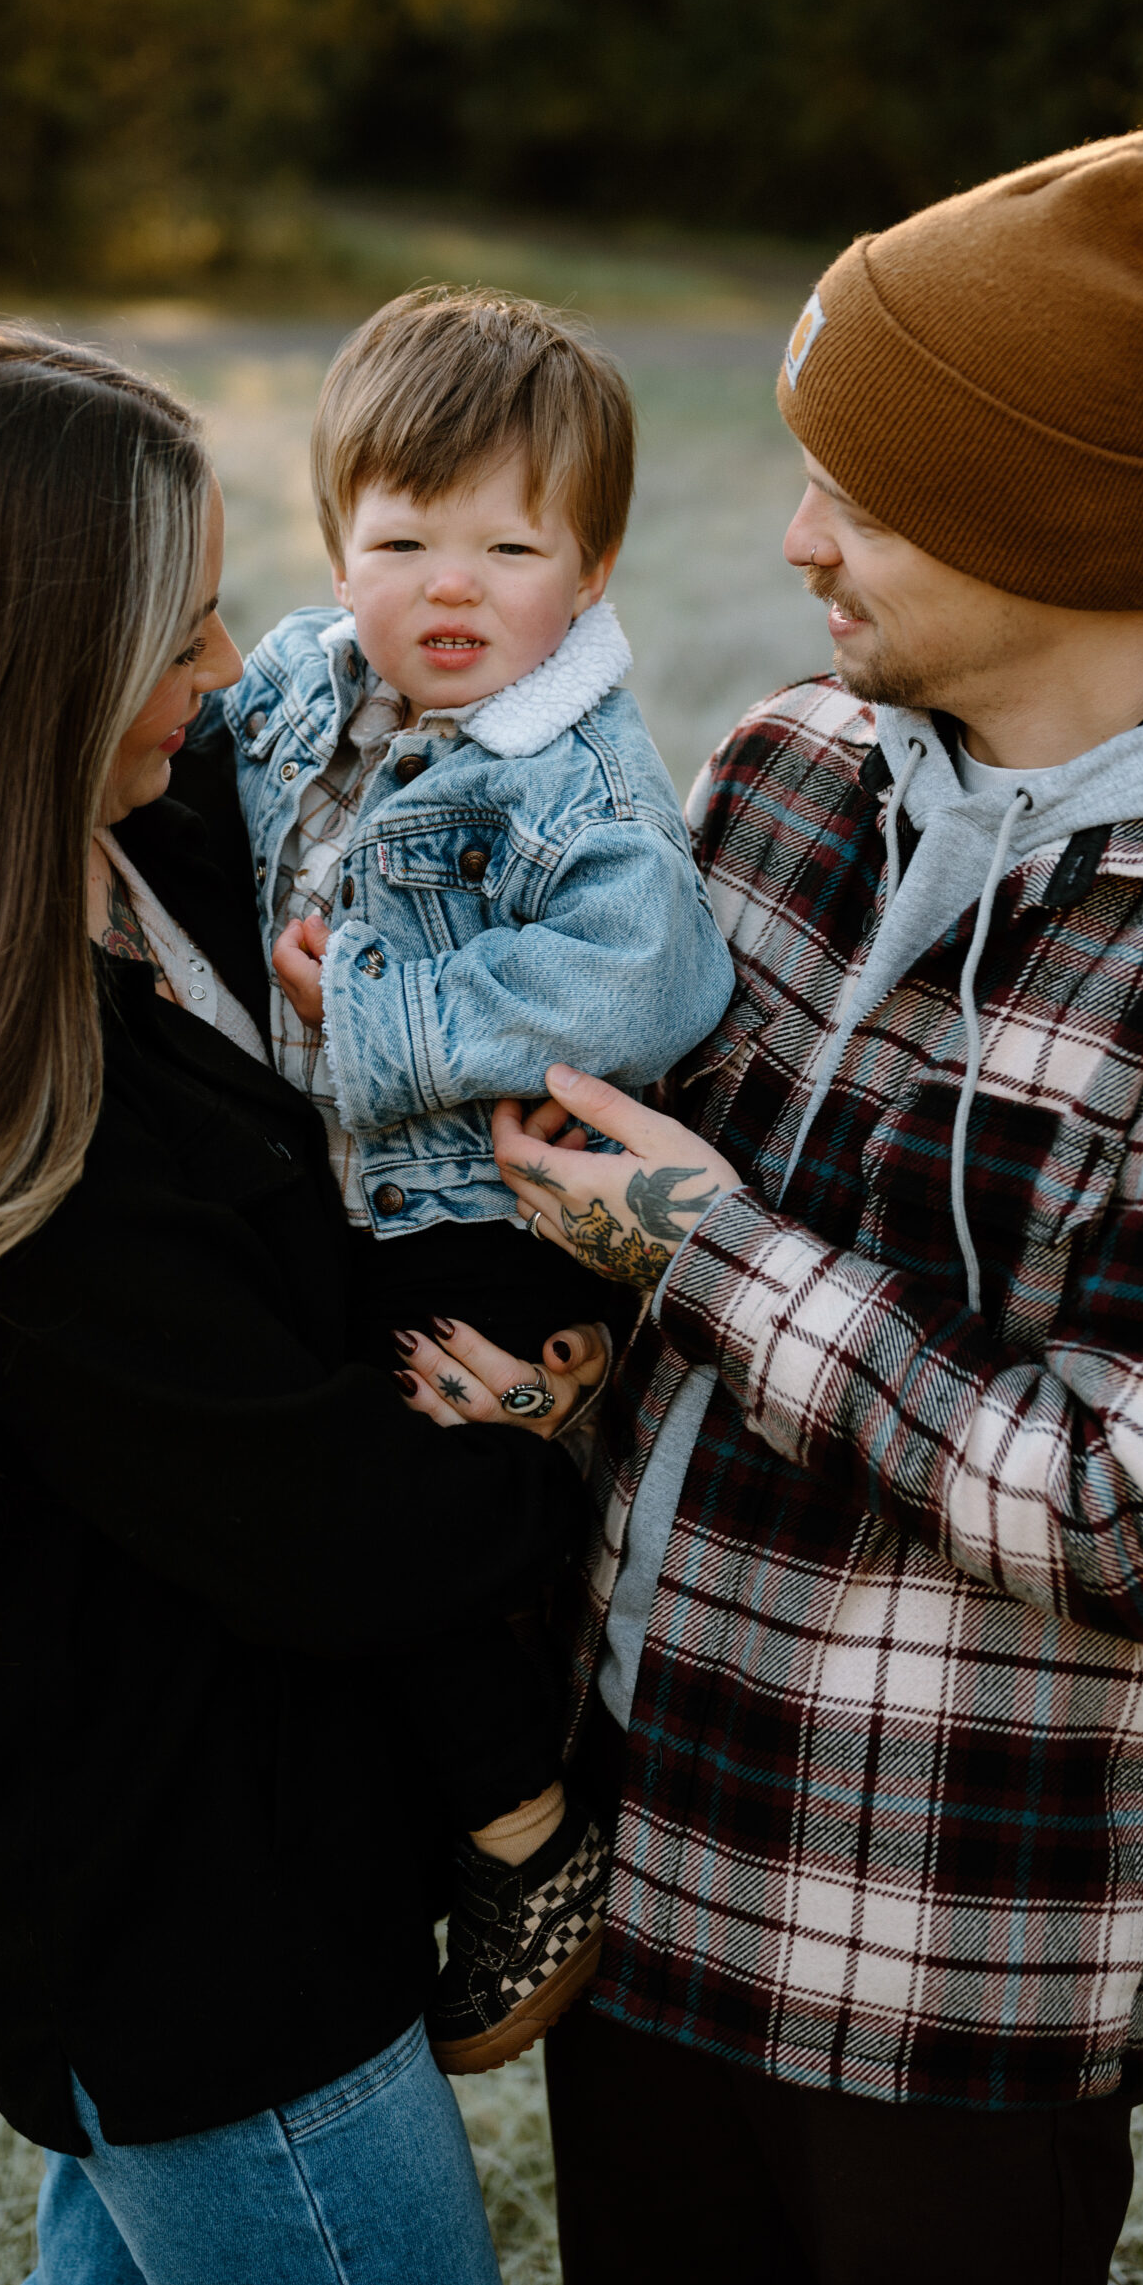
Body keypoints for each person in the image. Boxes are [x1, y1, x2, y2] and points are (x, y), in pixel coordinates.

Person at [401, 123, 1143, 2285]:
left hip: (941, 1980)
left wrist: (707, 1246)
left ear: (1047, 515)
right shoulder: (787, 758)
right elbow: (610, 1175)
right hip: (640, 1882)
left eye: (862, 495)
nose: (797, 539)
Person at [0, 317, 609, 2285]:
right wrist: (579, 1352)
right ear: (19, 681)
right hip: (198, 1925)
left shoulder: (137, 845)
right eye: (172, 634)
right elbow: (347, 1522)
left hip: (233, 1831)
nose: (222, 668)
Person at [200, 285, 735, 2072]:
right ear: (335, 535)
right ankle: (441, 1809)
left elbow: (648, 980)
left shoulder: (577, 777)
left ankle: (529, 1833)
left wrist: (380, 1005)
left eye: (509, 544)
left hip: (490, 1221)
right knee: (322, 1504)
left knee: (407, 1508)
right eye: (400, 536)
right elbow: (195, 790)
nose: (449, 586)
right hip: (341, 1198)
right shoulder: (299, 680)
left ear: (588, 571)